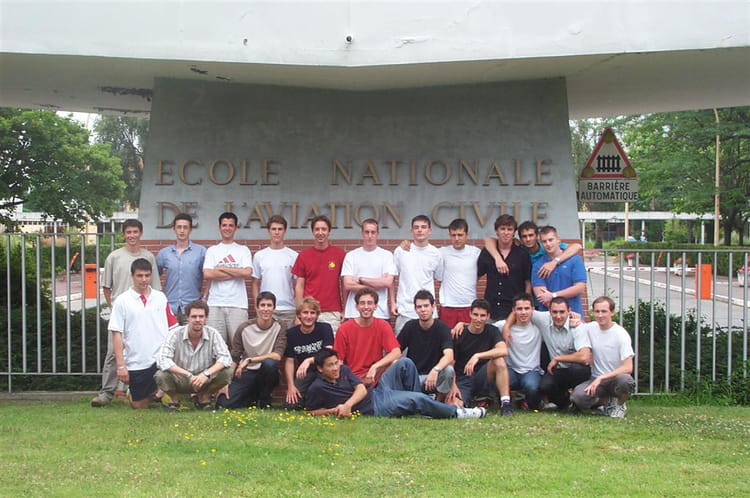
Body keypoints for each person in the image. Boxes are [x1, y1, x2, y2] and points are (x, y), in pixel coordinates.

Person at [91, 218, 161, 407]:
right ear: (123, 234)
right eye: (128, 232)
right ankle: (106, 393)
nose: (132, 235)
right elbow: (107, 287)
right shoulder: (114, 257)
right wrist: (114, 308)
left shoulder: (148, 257)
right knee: (114, 353)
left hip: (144, 314)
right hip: (121, 313)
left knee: (145, 352)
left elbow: (155, 287)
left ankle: (143, 391)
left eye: (135, 232)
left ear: (141, 234)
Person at [305, 348, 486, 419]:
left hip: (376, 392)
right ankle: (457, 413)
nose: (335, 368)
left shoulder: (343, 370)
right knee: (417, 399)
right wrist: (334, 410)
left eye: (336, 363)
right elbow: (311, 411)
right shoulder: (317, 387)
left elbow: (361, 389)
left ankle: (418, 407)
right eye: (330, 365)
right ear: (320, 369)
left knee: (404, 363)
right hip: (376, 406)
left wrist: (347, 405)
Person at [110, 258, 178, 409]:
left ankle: (162, 393)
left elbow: (173, 328)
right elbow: (117, 334)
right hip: (137, 361)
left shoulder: (160, 297)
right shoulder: (122, 301)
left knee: (167, 382)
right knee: (140, 406)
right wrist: (121, 366)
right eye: (139, 276)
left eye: (147, 275)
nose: (144, 279)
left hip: (161, 359)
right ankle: (144, 394)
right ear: (132, 276)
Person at [155, 300, 233, 410]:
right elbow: (162, 359)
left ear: (206, 318)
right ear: (187, 318)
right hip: (181, 379)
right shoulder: (174, 334)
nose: (197, 320)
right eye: (194, 316)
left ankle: (204, 397)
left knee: (227, 372)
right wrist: (188, 375)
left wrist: (205, 374)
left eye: (201, 316)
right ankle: (174, 400)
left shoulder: (213, 333)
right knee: (161, 375)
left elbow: (225, 358)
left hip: (205, 379)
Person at [217, 292, 287, 409]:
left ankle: (265, 401)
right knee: (223, 404)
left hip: (268, 372)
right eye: (262, 305)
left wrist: (250, 360)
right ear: (257, 308)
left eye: (269, 305)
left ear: (274, 308)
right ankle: (252, 398)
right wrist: (226, 382)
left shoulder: (280, 326)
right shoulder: (244, 328)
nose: (266, 309)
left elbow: (277, 356)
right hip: (248, 372)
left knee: (269, 364)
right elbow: (234, 358)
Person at [570, 296, 635, 418]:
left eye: (604, 311)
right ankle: (605, 402)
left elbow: (628, 367)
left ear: (612, 312)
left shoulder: (621, 334)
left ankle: (620, 404)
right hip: (596, 379)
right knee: (577, 398)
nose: (600, 315)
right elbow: (577, 325)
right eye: (597, 311)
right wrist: (575, 321)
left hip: (615, 379)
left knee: (626, 381)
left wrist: (601, 378)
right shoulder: (590, 327)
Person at [451, 299, 513, 416]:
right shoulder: (459, 333)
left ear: (488, 316)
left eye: (483, 316)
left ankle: (506, 404)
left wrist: (477, 356)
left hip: (483, 376)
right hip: (463, 378)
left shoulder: (492, 330)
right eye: (475, 315)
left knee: (499, 360)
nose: (478, 319)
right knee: (455, 407)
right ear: (470, 314)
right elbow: (451, 363)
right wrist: (453, 386)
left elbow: (503, 350)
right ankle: (470, 405)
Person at [529, 297, 591, 411]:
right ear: (549, 311)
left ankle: (579, 399)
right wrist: (507, 327)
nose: (558, 316)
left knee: (577, 370)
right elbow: (519, 311)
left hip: (576, 370)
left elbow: (584, 356)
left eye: (562, 312)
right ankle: (565, 403)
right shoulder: (543, 319)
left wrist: (558, 358)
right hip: (557, 370)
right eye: (554, 312)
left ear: (569, 311)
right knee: (545, 386)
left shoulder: (577, 326)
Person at [203, 212, 253, 346]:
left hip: (238, 304)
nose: (227, 228)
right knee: (215, 346)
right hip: (215, 304)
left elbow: (247, 272)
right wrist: (237, 272)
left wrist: (222, 268)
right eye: (224, 225)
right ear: (219, 227)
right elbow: (207, 274)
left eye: (231, 225)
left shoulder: (243, 250)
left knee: (239, 346)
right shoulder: (212, 250)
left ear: (235, 228)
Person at [396, 290, 455, 402]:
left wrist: (435, 370)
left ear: (433, 307)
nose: (423, 310)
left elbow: (449, 355)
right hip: (414, 378)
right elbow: (395, 351)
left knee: (448, 370)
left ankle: (438, 403)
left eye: (426, 306)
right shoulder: (410, 327)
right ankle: (419, 400)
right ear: (415, 309)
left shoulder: (443, 328)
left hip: (435, 378)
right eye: (419, 307)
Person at [334, 288, 401, 386]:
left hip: (376, 377)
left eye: (369, 303)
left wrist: (375, 366)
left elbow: (396, 352)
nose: (366, 307)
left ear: (375, 306)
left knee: (402, 363)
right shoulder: (344, 329)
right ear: (356, 306)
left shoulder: (383, 326)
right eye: (362, 303)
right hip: (354, 380)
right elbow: (338, 361)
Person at [292, 215, 345, 333]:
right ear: (312, 232)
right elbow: (299, 286)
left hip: (332, 311)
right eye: (317, 229)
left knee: (331, 344)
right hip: (309, 311)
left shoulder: (339, 254)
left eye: (324, 229)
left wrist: (344, 309)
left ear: (329, 232)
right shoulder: (303, 256)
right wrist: (299, 313)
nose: (320, 233)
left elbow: (344, 285)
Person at [391, 215, 443, 334]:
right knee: (401, 346)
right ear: (412, 231)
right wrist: (393, 302)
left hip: (428, 313)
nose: (420, 230)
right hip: (405, 311)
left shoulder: (436, 254)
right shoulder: (401, 251)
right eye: (416, 227)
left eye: (423, 227)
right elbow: (392, 278)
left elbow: (439, 278)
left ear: (429, 231)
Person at [483, 220, 582, 280]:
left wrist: (554, 262)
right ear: (520, 239)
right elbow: (488, 240)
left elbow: (577, 246)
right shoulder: (518, 250)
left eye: (531, 235)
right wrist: (498, 258)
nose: (528, 239)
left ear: (537, 236)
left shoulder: (547, 247)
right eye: (524, 236)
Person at [477, 215, 531, 321]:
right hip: (491, 309)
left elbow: (528, 282)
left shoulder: (522, 254)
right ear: (496, 231)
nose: (506, 232)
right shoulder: (487, 252)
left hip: (513, 310)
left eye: (509, 229)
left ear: (514, 232)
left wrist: (525, 304)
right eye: (502, 229)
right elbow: (477, 275)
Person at [283, 297, 334, 409]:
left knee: (317, 391)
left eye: (312, 313)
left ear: (317, 315)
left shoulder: (325, 328)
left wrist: (309, 360)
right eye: (305, 312)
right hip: (305, 374)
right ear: (299, 315)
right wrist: (291, 386)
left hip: (324, 371)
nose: (309, 316)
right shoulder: (291, 333)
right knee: (291, 405)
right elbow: (289, 361)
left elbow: (328, 352)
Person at [341, 218, 396, 321]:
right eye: (367, 232)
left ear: (377, 234)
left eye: (373, 232)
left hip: (380, 313)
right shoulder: (351, 256)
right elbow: (347, 284)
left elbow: (388, 282)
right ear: (362, 233)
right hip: (354, 312)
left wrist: (360, 279)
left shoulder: (387, 255)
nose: (370, 236)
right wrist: (377, 283)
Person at [156, 213, 206, 324]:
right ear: (174, 229)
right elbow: (154, 276)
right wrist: (159, 296)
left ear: (190, 230)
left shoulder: (201, 252)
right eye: (179, 227)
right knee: (169, 335)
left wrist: (205, 297)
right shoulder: (164, 253)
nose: (182, 231)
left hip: (192, 307)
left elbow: (209, 275)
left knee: (191, 335)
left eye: (185, 227)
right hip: (170, 306)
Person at [251, 215, 298, 325]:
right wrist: (257, 307)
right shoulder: (259, 256)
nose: (277, 232)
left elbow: (298, 285)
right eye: (274, 229)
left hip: (288, 309)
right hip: (266, 309)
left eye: (280, 229)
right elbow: (255, 284)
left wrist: (298, 310)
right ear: (269, 231)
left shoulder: (293, 256)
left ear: (285, 231)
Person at [500, 293, 544, 410]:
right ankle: (506, 401)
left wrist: (573, 318)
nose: (523, 312)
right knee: (499, 380)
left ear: (533, 309)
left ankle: (529, 402)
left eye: (526, 308)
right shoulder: (503, 326)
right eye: (519, 309)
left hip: (531, 370)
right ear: (513, 310)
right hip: (511, 370)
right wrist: (463, 324)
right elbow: (483, 326)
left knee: (531, 387)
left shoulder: (539, 327)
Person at [531, 225, 587, 315]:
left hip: (574, 315)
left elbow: (580, 288)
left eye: (550, 240)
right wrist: (561, 314)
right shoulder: (538, 266)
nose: (548, 244)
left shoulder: (575, 260)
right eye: (544, 241)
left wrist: (553, 295)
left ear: (558, 240)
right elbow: (542, 298)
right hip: (548, 317)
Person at [437, 218, 481, 328]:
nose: (457, 239)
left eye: (460, 235)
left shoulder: (475, 253)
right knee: (447, 337)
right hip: (448, 305)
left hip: (469, 305)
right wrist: (407, 245)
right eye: (453, 235)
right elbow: (423, 251)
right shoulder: (442, 252)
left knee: (468, 337)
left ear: (467, 235)